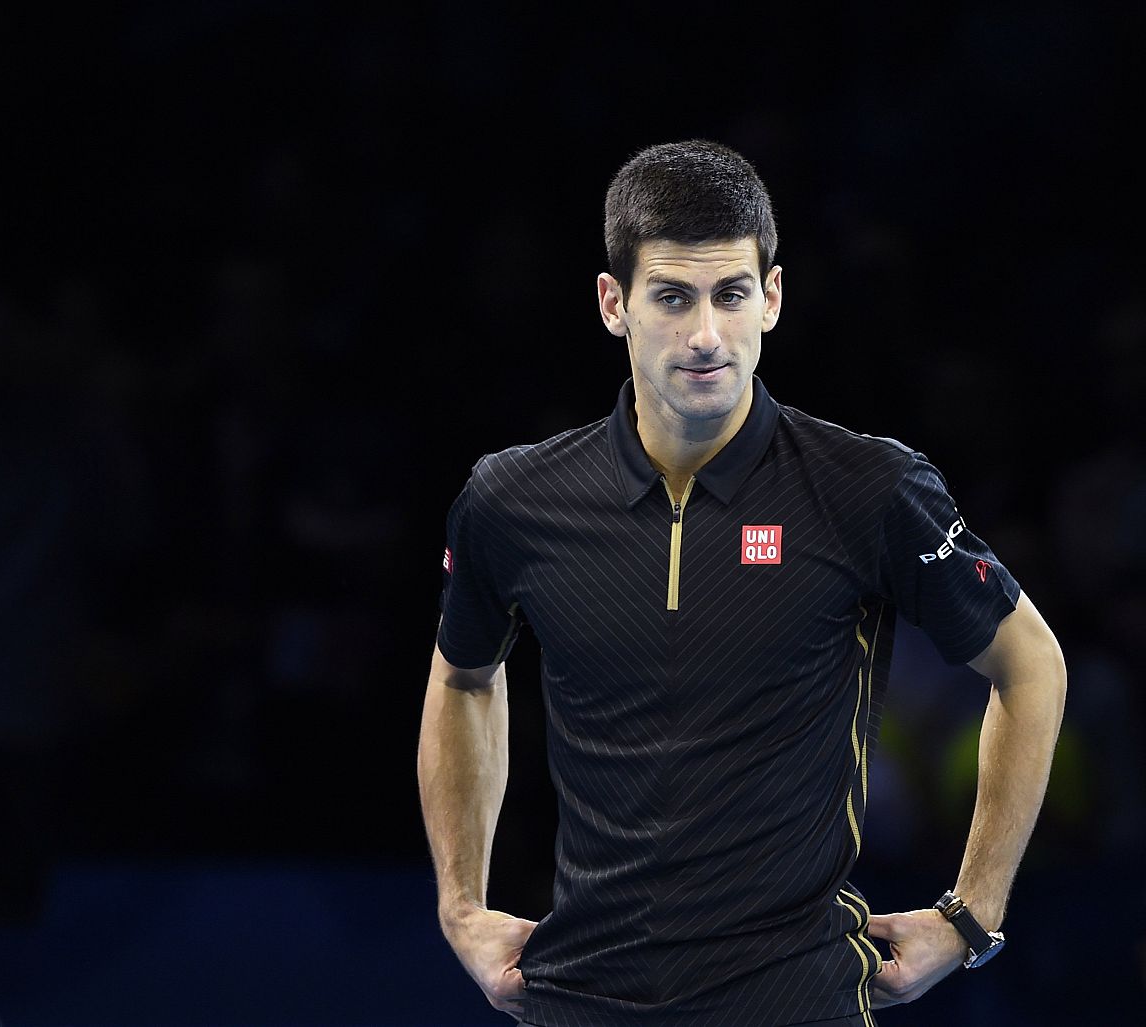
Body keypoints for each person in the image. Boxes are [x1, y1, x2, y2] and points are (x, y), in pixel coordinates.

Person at [416, 139, 1067, 1026]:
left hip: (799, 997)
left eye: (730, 295)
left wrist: (974, 911)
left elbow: (1030, 663)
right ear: (615, 304)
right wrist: (461, 906)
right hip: (578, 997)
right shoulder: (513, 499)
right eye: (672, 298)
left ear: (772, 298)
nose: (706, 335)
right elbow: (461, 678)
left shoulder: (866, 487)